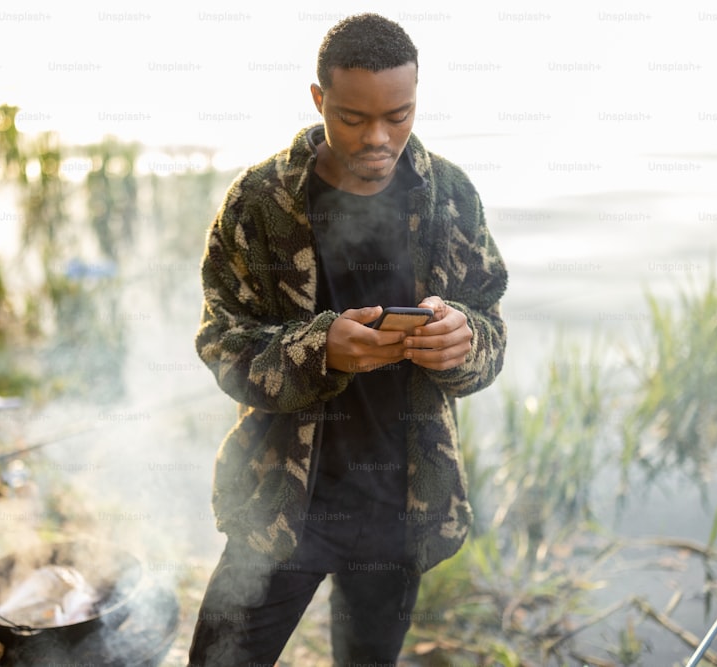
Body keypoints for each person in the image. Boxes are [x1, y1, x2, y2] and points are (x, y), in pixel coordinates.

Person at [189, 12, 508, 666]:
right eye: (354, 118)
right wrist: (321, 350)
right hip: (278, 507)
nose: (379, 138)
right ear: (318, 100)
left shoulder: (450, 195)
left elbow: (491, 329)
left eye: (399, 114)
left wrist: (465, 344)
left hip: (399, 509)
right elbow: (222, 345)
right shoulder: (261, 200)